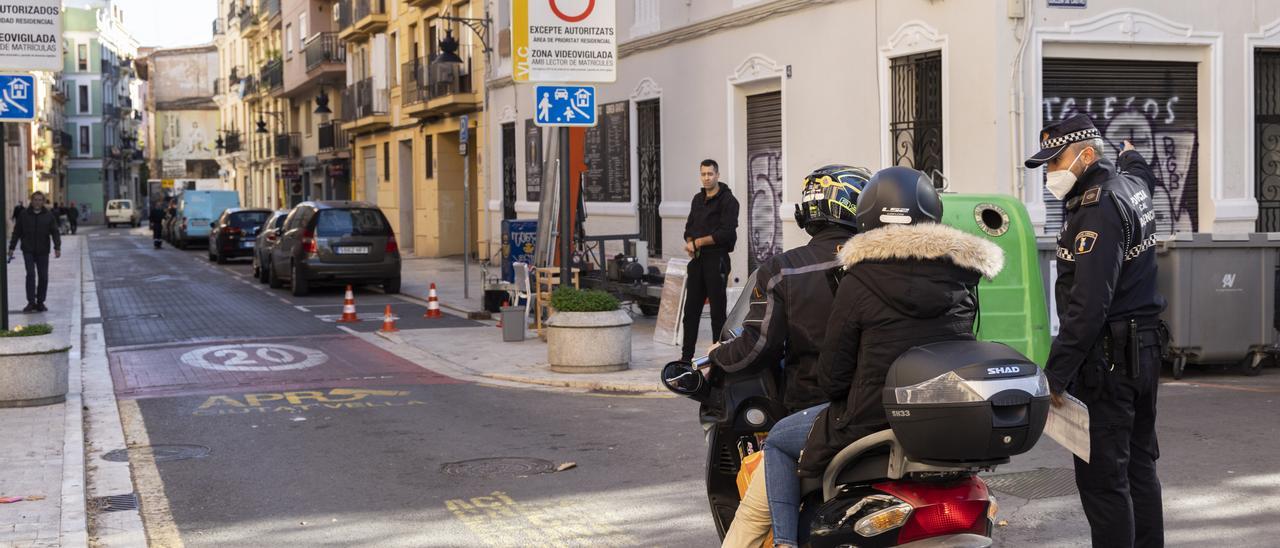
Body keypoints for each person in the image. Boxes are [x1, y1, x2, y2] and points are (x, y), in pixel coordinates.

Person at [748, 168, 1004, 548]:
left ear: (867, 215)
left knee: (780, 441)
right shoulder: (965, 277)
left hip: (867, 419)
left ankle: (785, 541)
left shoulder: (858, 279)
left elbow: (832, 378)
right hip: (941, 417)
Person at [1025, 114, 1165, 548]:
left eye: (1055, 162)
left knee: (1105, 481)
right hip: (1143, 350)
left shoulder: (1098, 208)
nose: (1050, 173)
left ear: (1086, 155)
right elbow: (1144, 175)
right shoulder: (1131, 185)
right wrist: (1134, 155)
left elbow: (1088, 305)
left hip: (1109, 362)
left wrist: (1056, 376)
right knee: (1139, 468)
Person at [715, 165, 870, 547]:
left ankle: (786, 541)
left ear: (808, 212)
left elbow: (758, 345)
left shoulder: (783, 270)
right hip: (883, 405)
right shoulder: (884, 267)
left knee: (750, 520)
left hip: (813, 410)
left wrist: (718, 357)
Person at [681, 159, 739, 362]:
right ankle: (685, 357)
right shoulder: (697, 199)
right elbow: (689, 228)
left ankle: (717, 356)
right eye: (703, 174)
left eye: (710, 174)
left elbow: (725, 233)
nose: (707, 178)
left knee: (717, 313)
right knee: (690, 312)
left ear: (718, 175)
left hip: (718, 260)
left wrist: (697, 242)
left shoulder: (729, 201)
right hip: (697, 261)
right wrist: (690, 243)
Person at [7, 191, 62, 313]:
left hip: (43, 251)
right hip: (28, 250)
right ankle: (31, 302)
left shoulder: (49, 215)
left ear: (43, 201)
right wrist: (11, 248)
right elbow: (17, 232)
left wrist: (57, 247)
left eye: (40, 200)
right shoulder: (24, 215)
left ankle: (40, 302)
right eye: (35, 199)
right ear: (31, 201)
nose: (37, 202)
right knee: (30, 275)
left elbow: (55, 232)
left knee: (43, 276)